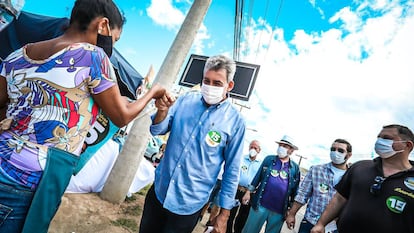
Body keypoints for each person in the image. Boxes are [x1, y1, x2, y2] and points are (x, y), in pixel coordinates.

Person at [0, 0, 165, 232]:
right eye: (115, 39)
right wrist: (153, 93)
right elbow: (122, 116)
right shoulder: (93, 56)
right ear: (103, 25)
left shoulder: (18, 55)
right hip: (32, 179)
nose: (112, 46)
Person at [139, 54, 246, 233]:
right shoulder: (185, 100)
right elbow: (157, 129)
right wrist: (162, 111)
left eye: (217, 83)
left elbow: (232, 170)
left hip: (189, 205)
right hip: (159, 192)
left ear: (229, 85)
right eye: (207, 80)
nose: (210, 87)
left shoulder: (235, 122)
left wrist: (224, 215)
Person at [311, 124, 414, 233]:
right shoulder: (360, 167)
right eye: (379, 137)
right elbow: (339, 198)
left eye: (386, 138)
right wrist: (321, 224)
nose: (379, 141)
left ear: (407, 145)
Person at [285, 138, 353, 233]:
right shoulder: (316, 170)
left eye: (340, 151)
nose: (335, 152)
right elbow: (302, 194)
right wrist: (292, 214)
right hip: (310, 222)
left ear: (348, 155)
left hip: (334, 228)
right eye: (333, 149)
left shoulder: (352, 176)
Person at [241, 135, 301, 233]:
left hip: (279, 212)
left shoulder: (295, 168)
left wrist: (291, 211)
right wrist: (248, 192)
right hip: (260, 206)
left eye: (285, 146)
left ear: (291, 151)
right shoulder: (269, 159)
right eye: (280, 145)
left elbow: (295, 191)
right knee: (249, 231)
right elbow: (257, 177)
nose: (281, 148)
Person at [226, 139, 262, 233]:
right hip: (236, 190)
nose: (252, 149)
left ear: (259, 150)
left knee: (243, 216)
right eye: (251, 147)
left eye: (255, 148)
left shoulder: (261, 164)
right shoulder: (241, 159)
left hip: (249, 194)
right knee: (230, 213)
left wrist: (250, 191)